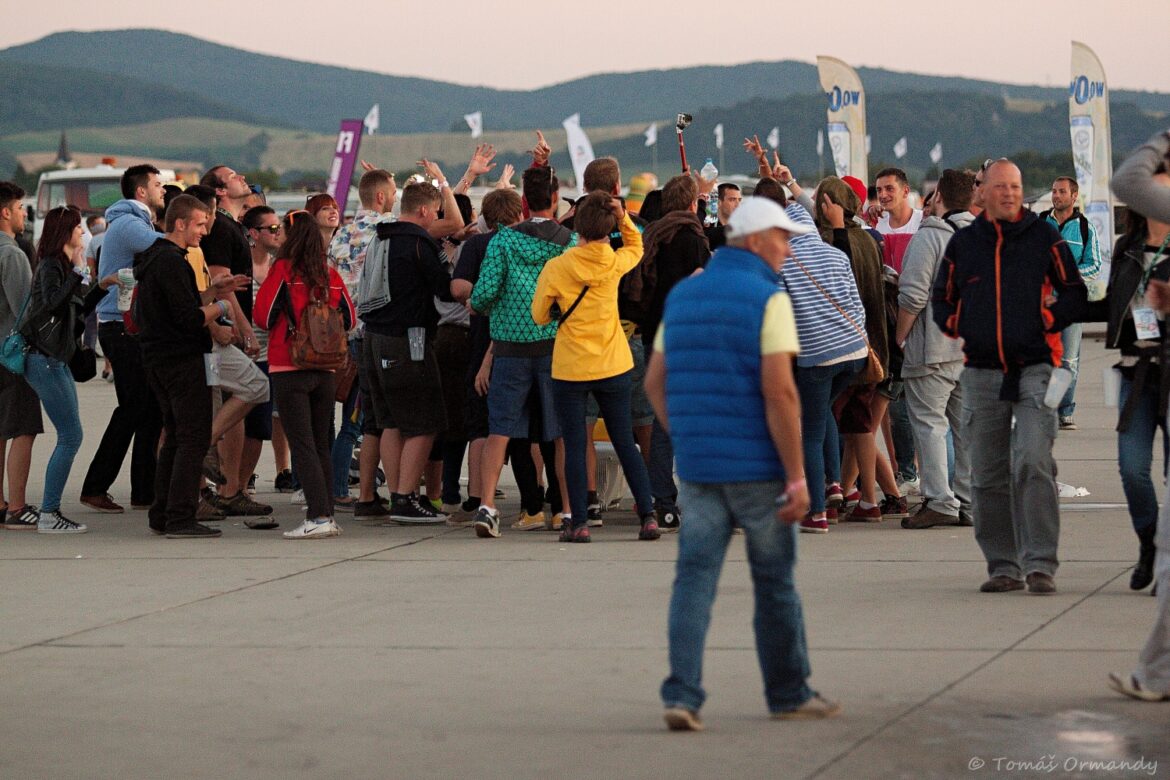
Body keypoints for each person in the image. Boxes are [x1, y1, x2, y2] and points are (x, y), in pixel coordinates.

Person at [647, 196, 838, 730]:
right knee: (775, 584)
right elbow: (780, 393)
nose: (786, 249)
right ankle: (788, 692)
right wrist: (798, 475)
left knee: (694, 581)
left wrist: (686, 436)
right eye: (781, 239)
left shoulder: (684, 295)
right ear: (755, 241)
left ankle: (681, 694)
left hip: (700, 470)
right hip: (758, 470)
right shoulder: (768, 298)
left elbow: (655, 383)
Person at [932, 159, 1087, 594]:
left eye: (1015, 186)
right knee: (986, 472)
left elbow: (1075, 294)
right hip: (982, 371)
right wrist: (962, 325)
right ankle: (1003, 565)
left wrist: (1047, 318)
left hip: (1038, 366)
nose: (1008, 194)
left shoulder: (1043, 236)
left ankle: (1040, 563)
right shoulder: (964, 244)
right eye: (999, 186)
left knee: (1034, 460)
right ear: (982, 192)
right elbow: (940, 299)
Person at [531, 191, 660, 543]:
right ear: (607, 228)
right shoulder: (614, 261)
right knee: (623, 440)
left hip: (572, 366)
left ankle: (580, 521)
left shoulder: (557, 267)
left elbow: (539, 315)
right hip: (614, 361)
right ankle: (648, 515)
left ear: (578, 228)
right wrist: (623, 218)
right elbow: (638, 246)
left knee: (574, 445)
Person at [137, 195, 249, 538]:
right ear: (180, 223)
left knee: (175, 436)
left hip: (160, 358)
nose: (205, 230)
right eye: (200, 224)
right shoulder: (172, 261)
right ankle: (181, 517)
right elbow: (187, 319)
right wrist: (221, 309)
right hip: (180, 360)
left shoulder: (157, 258)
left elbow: (178, 305)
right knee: (193, 438)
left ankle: (163, 512)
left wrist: (213, 292)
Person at [468, 165, 573, 534]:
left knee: (501, 430)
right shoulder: (569, 242)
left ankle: (487, 506)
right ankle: (567, 510)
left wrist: (489, 305)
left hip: (510, 349)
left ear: (524, 201)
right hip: (555, 349)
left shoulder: (502, 241)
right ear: (556, 199)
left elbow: (481, 296)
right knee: (559, 433)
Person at [1108, 128, 1170, 702]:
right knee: (1131, 469)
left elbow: (1125, 176)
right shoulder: (1127, 250)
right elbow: (1107, 305)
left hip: (1168, 373)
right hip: (1136, 371)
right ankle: (1150, 542)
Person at [768, 187, 868, 534]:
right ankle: (836, 483)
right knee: (822, 407)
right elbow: (858, 305)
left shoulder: (783, 263)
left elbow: (780, 316)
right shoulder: (835, 255)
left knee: (808, 433)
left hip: (817, 356)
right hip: (854, 351)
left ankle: (817, 512)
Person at [254, 211, 355, 539]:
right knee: (321, 443)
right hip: (325, 368)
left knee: (302, 443)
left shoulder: (283, 271)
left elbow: (263, 316)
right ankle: (327, 512)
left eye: (280, 230)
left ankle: (319, 515)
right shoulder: (330, 275)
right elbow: (349, 319)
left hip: (289, 365)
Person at [359, 175, 452, 524]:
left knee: (390, 422)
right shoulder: (418, 242)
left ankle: (400, 493)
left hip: (373, 337)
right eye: (435, 213)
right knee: (425, 421)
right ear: (425, 210)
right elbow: (444, 288)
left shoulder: (379, 238)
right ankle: (405, 496)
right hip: (407, 338)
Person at [20, 207, 119, 533]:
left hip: (56, 359)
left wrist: (101, 288)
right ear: (65, 232)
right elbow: (50, 305)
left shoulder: (62, 266)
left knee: (70, 435)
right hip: (43, 359)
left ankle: (51, 511)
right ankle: (49, 513)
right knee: (71, 436)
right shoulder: (51, 266)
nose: (83, 233)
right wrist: (78, 273)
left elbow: (73, 312)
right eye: (78, 228)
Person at [624, 173, 712, 532]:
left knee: (663, 423)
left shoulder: (652, 235)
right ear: (692, 205)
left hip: (654, 336)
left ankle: (663, 501)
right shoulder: (692, 238)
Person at [80, 164, 165, 514]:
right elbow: (167, 251)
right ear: (141, 192)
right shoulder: (132, 224)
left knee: (148, 410)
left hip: (124, 326)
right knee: (134, 407)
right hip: (121, 326)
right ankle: (95, 486)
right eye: (159, 185)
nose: (164, 189)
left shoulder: (133, 221)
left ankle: (143, 491)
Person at [813, 175, 899, 522]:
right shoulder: (868, 239)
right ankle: (869, 500)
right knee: (860, 426)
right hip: (873, 345)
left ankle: (834, 493)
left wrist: (833, 229)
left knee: (827, 420)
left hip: (840, 345)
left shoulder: (832, 241)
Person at [896, 168, 976, 529]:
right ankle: (969, 499)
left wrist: (900, 337)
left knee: (929, 424)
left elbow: (912, 296)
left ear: (938, 197)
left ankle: (939, 499)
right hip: (970, 347)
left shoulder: (929, 237)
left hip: (933, 347)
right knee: (965, 428)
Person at [328, 169, 396, 518]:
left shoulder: (341, 234)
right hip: (374, 333)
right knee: (365, 422)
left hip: (343, 334)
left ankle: (336, 486)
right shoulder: (387, 228)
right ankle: (343, 489)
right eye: (394, 191)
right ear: (383, 197)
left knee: (349, 420)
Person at [1039, 176, 1103, 430]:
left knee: (1068, 361)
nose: (1056, 196)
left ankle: (1064, 409)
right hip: (1041, 303)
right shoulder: (1040, 223)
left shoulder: (1086, 228)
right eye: (1054, 191)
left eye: (1062, 192)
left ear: (1074, 196)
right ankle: (1044, 409)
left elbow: (1095, 264)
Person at [0, 181, 44, 531]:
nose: (23, 215)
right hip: (11, 355)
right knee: (24, 430)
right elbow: (25, 312)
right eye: (19, 209)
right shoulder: (12, 254)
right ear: (5, 212)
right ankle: (17, 505)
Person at [703, 182, 742, 250]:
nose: (738, 205)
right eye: (732, 200)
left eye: (739, 200)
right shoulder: (708, 228)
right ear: (718, 202)